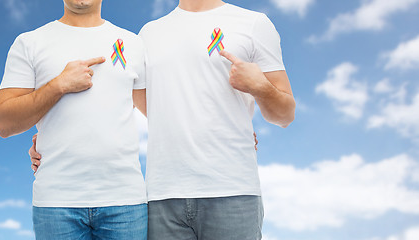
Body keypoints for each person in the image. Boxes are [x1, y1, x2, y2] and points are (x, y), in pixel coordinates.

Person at [31, 0, 295, 239]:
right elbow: (139, 100)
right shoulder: (148, 34)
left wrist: (260, 87)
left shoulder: (254, 24)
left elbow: (285, 115)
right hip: (161, 196)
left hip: (233, 190)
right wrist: (52, 138)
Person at [0, 0, 149, 239]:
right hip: (56, 202)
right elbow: (4, 123)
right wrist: (59, 85)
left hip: (125, 200)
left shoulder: (133, 44)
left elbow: (160, 113)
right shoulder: (30, 43)